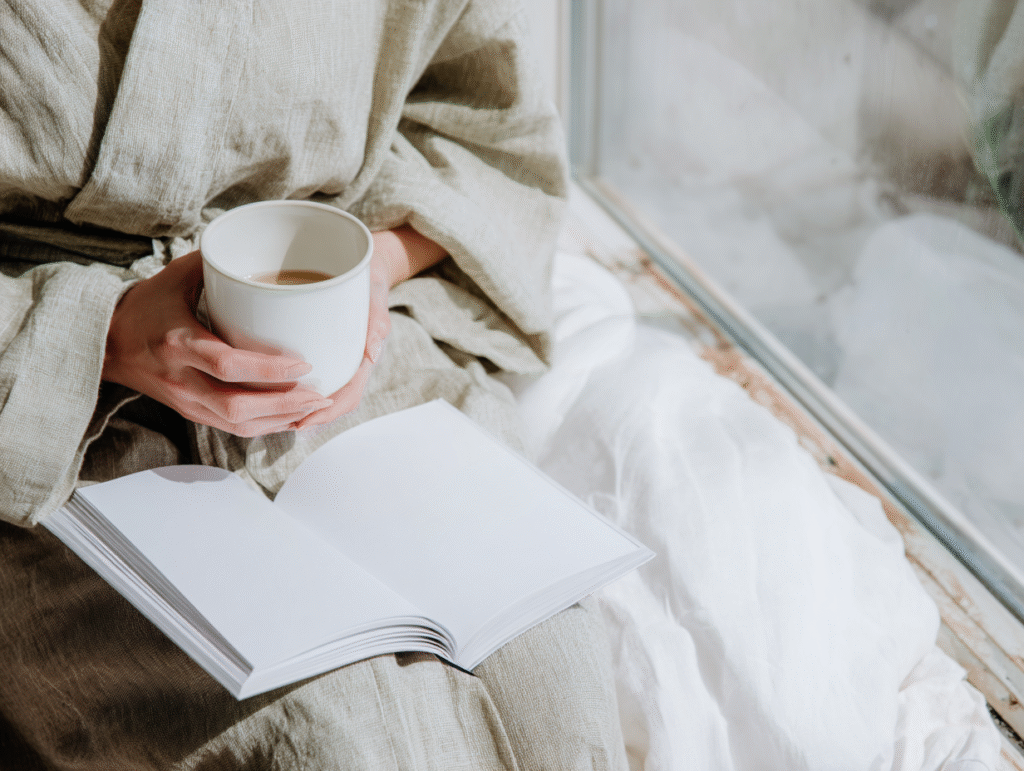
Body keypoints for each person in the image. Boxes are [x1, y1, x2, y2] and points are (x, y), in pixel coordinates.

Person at [0, 1, 628, 768]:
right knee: (335, 742)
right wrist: (100, 333)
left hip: (354, 360)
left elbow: (484, 134)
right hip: (42, 403)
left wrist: (373, 268)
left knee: (556, 710)